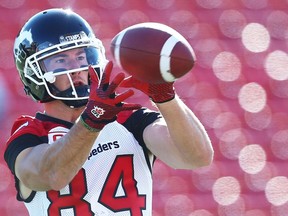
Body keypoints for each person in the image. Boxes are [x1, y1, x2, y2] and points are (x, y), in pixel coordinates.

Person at [4, 8, 214, 216]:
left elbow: (197, 157)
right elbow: (52, 175)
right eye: (60, 60)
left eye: (80, 56)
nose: (77, 67)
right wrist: (91, 122)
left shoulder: (129, 121)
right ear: (34, 73)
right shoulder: (29, 136)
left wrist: (166, 98)